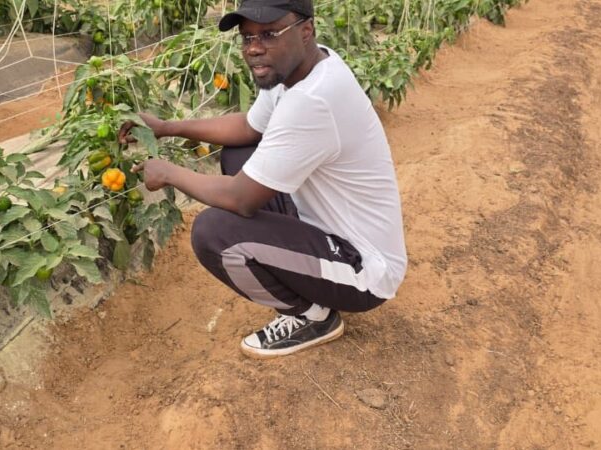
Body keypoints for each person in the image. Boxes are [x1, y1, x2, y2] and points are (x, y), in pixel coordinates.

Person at [120, 0, 407, 358]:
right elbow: (248, 127)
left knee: (214, 234)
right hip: (327, 226)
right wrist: (167, 128)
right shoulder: (305, 68)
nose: (254, 49)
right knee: (239, 154)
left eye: (269, 34)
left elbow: (242, 198)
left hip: (363, 270)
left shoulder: (313, 99)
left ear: (306, 31)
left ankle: (311, 316)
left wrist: (167, 172)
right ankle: (306, 288)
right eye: (247, 38)